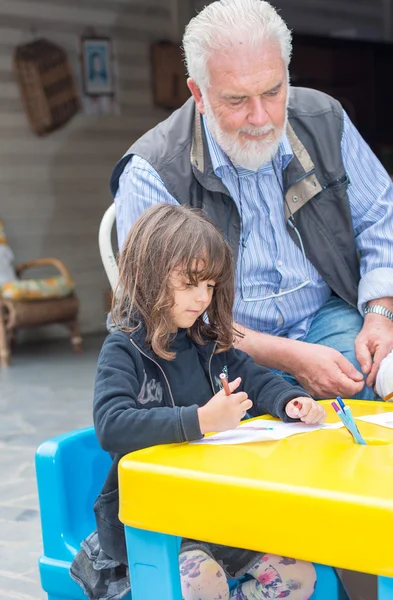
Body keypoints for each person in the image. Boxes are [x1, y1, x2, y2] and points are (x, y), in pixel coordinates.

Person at [110, 0, 393, 402]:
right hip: (217, 348)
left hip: (323, 318)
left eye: (273, 91)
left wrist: (381, 316)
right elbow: (158, 309)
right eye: (237, 100)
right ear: (199, 93)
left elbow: (382, 217)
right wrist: (290, 358)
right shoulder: (152, 171)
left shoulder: (324, 120)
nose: (261, 117)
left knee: (372, 391)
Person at [71, 204, 325, 600]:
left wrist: (291, 400)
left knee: (298, 575)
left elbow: (257, 381)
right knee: (202, 582)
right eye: (190, 284)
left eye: (210, 286)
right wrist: (201, 419)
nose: (203, 298)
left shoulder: (208, 344)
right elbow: (112, 425)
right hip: (153, 521)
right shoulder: (124, 349)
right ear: (148, 274)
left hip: (218, 512)